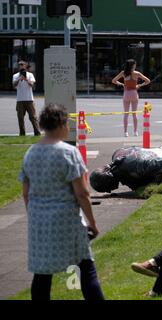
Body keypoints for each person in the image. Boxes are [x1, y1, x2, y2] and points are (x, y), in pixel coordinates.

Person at [19, 104, 104, 301]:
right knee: (85, 266)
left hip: (39, 222)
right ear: (61, 124)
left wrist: (34, 216)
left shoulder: (30, 153)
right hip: (66, 220)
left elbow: (26, 193)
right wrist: (92, 221)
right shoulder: (68, 152)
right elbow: (82, 193)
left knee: (42, 273)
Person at [112, 59, 151, 137]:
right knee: (134, 114)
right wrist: (139, 85)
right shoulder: (137, 73)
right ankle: (135, 131)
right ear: (133, 65)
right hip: (134, 93)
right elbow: (148, 81)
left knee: (126, 114)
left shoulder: (123, 73)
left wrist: (121, 84)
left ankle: (126, 132)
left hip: (126, 94)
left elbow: (113, 81)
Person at [12, 60, 40, 136]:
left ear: (25, 66)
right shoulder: (15, 76)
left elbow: (32, 85)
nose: (20, 66)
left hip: (29, 99)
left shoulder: (30, 75)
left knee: (33, 117)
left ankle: (37, 132)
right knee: (20, 118)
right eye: (19, 65)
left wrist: (26, 79)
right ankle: (22, 133)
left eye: (22, 64)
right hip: (20, 100)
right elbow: (14, 85)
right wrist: (19, 79)